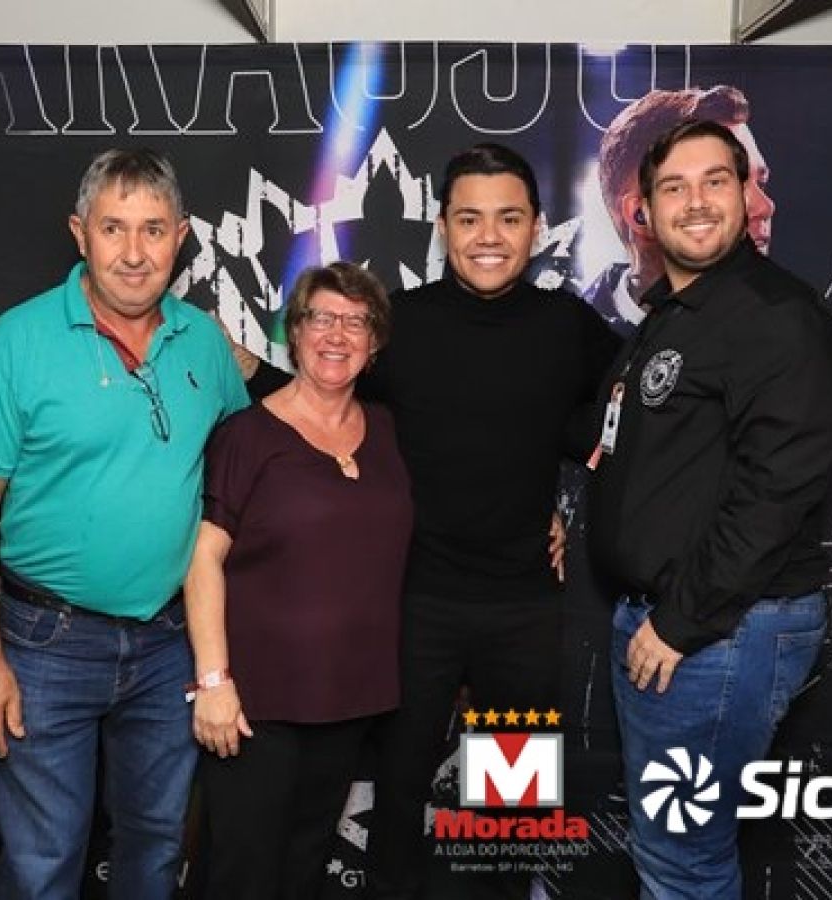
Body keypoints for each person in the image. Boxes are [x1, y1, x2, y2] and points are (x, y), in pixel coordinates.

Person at [237, 143, 621, 898]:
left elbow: (622, 417)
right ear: (443, 226)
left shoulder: (569, 327)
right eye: (470, 218)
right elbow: (319, 408)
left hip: (522, 605)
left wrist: (559, 499)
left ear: (536, 226)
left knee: (510, 808)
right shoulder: (401, 324)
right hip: (414, 602)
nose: (489, 236)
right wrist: (245, 368)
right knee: (398, 791)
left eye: (508, 218)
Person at [0, 148, 248, 900]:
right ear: (80, 233)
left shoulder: (204, 342)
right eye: (114, 228)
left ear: (182, 237)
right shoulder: (17, 341)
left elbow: (249, 474)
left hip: (169, 645)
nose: (134, 253)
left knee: (154, 849)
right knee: (41, 863)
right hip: (45, 645)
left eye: (153, 230)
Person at [585, 120, 832, 899]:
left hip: (718, 632)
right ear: (645, 210)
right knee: (672, 852)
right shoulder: (677, 311)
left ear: (745, 193)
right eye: (674, 186)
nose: (695, 201)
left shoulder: (775, 315)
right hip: (685, 626)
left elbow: (778, 490)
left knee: (683, 861)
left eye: (714, 181)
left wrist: (682, 620)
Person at [184, 261, 413, 900]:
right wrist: (213, 683)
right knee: (244, 876)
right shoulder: (247, 435)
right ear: (295, 331)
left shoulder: (387, 429)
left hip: (349, 696)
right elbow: (202, 559)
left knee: (304, 867)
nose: (336, 335)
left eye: (355, 322)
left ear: (374, 342)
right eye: (321, 318)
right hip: (256, 703)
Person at [586, 85, 776, 334]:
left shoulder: (794, 329)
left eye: (761, 182)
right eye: (716, 185)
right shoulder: (570, 340)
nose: (765, 207)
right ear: (640, 215)